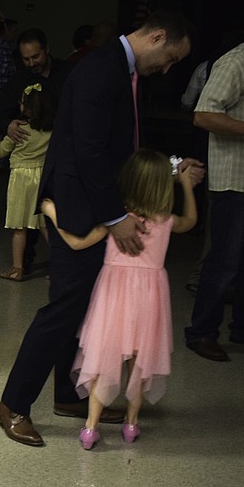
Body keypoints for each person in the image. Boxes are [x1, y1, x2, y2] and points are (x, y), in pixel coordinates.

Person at [0, 9, 202, 447]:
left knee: (86, 305)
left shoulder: (115, 67)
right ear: (158, 37)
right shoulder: (100, 69)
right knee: (64, 307)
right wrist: (117, 217)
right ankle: (13, 404)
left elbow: (118, 147)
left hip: (92, 200)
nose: (167, 69)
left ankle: (70, 393)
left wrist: (167, 166)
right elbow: (89, 151)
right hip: (81, 204)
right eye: (170, 58)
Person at [41, 149, 199, 448]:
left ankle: (90, 428)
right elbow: (190, 221)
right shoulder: (166, 221)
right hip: (150, 301)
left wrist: (51, 211)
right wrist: (187, 186)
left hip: (114, 298)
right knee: (139, 366)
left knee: (103, 361)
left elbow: (77, 242)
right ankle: (131, 424)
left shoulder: (116, 221)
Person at [184, 39, 244, 361]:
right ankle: (201, 333)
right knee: (224, 261)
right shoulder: (236, 62)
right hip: (233, 180)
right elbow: (203, 115)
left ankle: (242, 328)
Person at [0, 84, 54, 281]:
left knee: (19, 227)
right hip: (42, 178)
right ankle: (61, 264)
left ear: (26, 107)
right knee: (44, 224)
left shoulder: (18, 130)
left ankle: (17, 269)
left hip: (20, 179)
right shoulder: (50, 131)